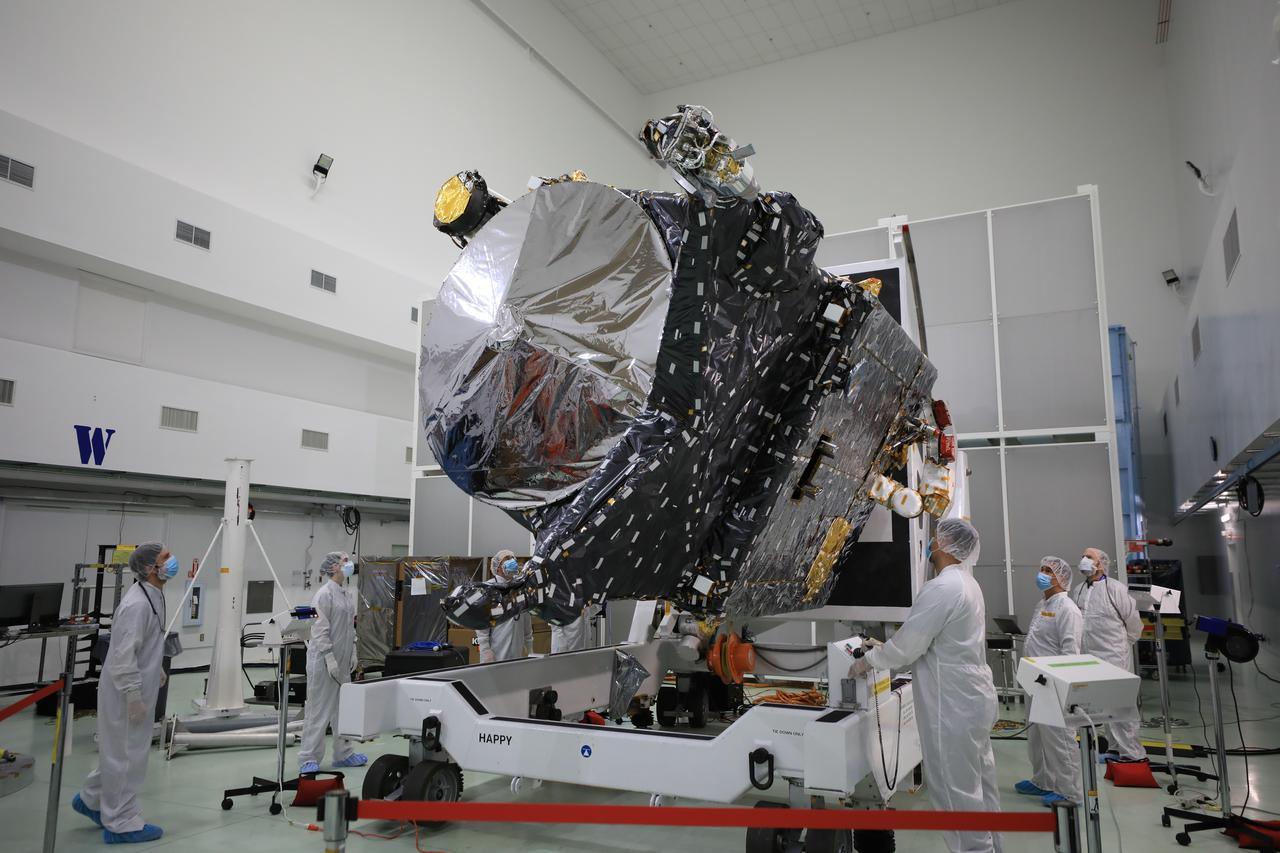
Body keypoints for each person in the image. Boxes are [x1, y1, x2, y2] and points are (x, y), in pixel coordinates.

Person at [851, 518, 1003, 853]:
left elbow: (909, 646)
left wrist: (868, 661)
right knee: (979, 784)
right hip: (973, 697)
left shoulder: (943, 588)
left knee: (954, 790)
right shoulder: (967, 584)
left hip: (952, 703)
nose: (930, 544)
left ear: (947, 546)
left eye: (935, 539)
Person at [72, 542, 176, 843]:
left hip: (137, 684)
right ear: (148, 568)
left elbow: (142, 643)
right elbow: (122, 655)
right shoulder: (137, 604)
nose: (171, 562)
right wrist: (133, 694)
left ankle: (91, 799)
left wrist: (154, 667)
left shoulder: (152, 596)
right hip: (126, 692)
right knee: (128, 757)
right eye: (164, 558)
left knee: (119, 752)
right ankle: (121, 822)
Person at [1016, 556, 1083, 806]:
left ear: (1062, 578)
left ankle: (1069, 792)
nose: (1042, 574)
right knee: (1037, 735)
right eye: (1041, 568)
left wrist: (1063, 685)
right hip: (1035, 680)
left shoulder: (1067, 608)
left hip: (1054, 683)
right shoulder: (1042, 604)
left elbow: (1070, 650)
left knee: (1060, 738)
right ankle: (1042, 780)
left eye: (1048, 571)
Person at [298, 551, 366, 775]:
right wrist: (328, 657)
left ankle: (343, 754)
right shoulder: (323, 594)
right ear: (333, 567)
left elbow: (349, 626)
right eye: (344, 562)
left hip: (344, 661)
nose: (349, 565)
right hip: (324, 662)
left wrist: (353, 650)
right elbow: (319, 628)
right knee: (319, 711)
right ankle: (309, 757)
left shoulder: (346, 594)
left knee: (342, 710)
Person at [1073, 547, 1144, 761]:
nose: (1084, 559)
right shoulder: (1077, 590)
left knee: (1120, 708)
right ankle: (1113, 750)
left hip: (1114, 657)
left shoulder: (1116, 589)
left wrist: (1121, 647)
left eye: (1089, 557)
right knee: (1096, 707)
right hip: (1087, 658)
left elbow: (1133, 624)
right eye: (1082, 555)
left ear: (1101, 564)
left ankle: (1132, 756)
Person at [475, 550, 533, 662]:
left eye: (512, 558)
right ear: (497, 567)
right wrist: (486, 650)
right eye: (506, 560)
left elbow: (526, 620)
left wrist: (530, 648)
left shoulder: (520, 588)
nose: (511, 561)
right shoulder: (489, 588)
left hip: (517, 653)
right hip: (495, 653)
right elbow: (481, 625)